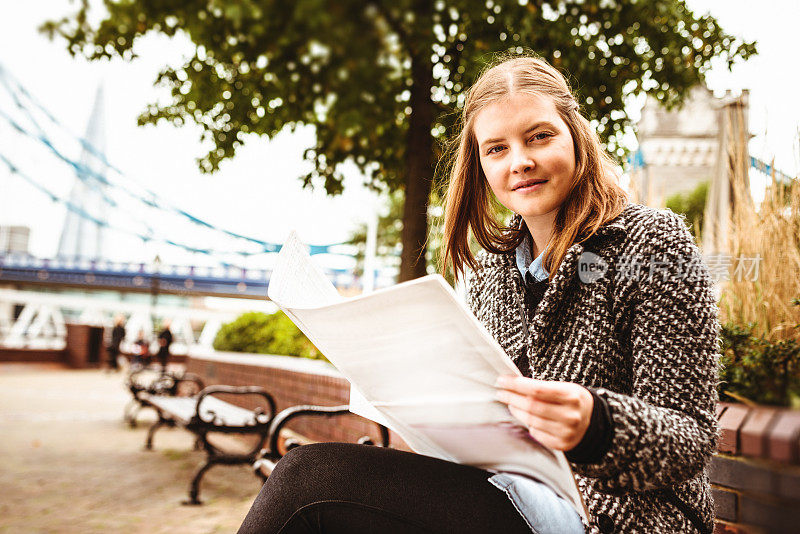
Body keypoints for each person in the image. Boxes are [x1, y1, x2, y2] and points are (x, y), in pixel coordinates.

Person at [238, 56, 720, 534]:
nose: (520, 161)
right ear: (481, 165)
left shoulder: (654, 241)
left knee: (307, 481)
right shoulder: (492, 266)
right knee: (312, 487)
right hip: (498, 494)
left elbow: (692, 436)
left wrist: (597, 427)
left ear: (575, 136)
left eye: (539, 136)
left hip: (614, 518)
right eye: (496, 149)